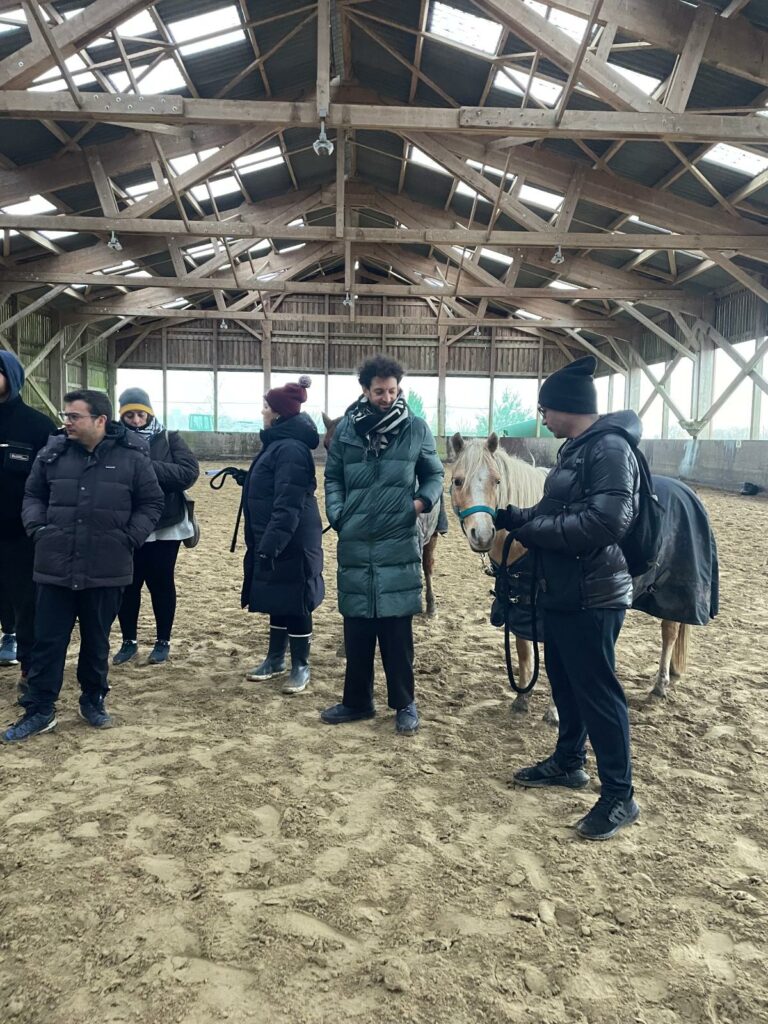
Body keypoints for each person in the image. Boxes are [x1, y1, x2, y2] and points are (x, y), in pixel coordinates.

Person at [495, 355, 641, 841]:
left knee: (597, 691)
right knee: (564, 679)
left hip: (593, 592)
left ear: (567, 407)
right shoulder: (577, 448)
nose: (541, 418)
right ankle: (568, 761)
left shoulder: (610, 450)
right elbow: (557, 507)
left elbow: (605, 524)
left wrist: (532, 528)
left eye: (545, 408)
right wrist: (519, 514)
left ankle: (620, 794)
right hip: (561, 588)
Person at [3, 389, 164, 742]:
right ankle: (40, 709)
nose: (67, 422)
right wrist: (38, 529)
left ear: (100, 420)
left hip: (107, 566)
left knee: (96, 641)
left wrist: (129, 537)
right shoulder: (52, 452)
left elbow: (152, 502)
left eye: (74, 416)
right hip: (54, 564)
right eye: (66, 416)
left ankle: (93, 699)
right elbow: (33, 495)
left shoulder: (132, 457)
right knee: (48, 641)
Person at [322, 355, 444, 734]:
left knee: (396, 632)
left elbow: (434, 474)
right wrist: (339, 513)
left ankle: (405, 703)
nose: (386, 397)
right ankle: (357, 701)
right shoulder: (346, 431)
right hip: (356, 540)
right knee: (357, 628)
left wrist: (419, 503)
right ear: (365, 390)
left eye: (392, 390)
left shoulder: (416, 428)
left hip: (397, 539)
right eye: (379, 391)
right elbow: (333, 478)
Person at [242, 375, 324, 695]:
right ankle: (275, 658)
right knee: (278, 596)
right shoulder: (279, 443)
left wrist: (271, 544)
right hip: (278, 535)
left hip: (292, 538)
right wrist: (246, 481)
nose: (262, 411)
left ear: (276, 413)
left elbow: (288, 502)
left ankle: (300, 665)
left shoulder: (289, 448)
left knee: (296, 600)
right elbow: (273, 487)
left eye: (266, 406)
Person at [112, 387, 199, 666]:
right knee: (128, 584)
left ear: (149, 413)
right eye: (130, 416)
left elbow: (188, 473)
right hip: (127, 523)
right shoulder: (113, 440)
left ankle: (163, 641)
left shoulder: (169, 437)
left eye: (141, 414)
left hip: (165, 523)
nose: (136, 421)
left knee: (161, 582)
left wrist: (145, 467)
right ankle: (129, 641)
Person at [0, 351, 56, 676]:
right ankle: (7, 634)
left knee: (27, 600)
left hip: (22, 535)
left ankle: (29, 669)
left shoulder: (36, 426)